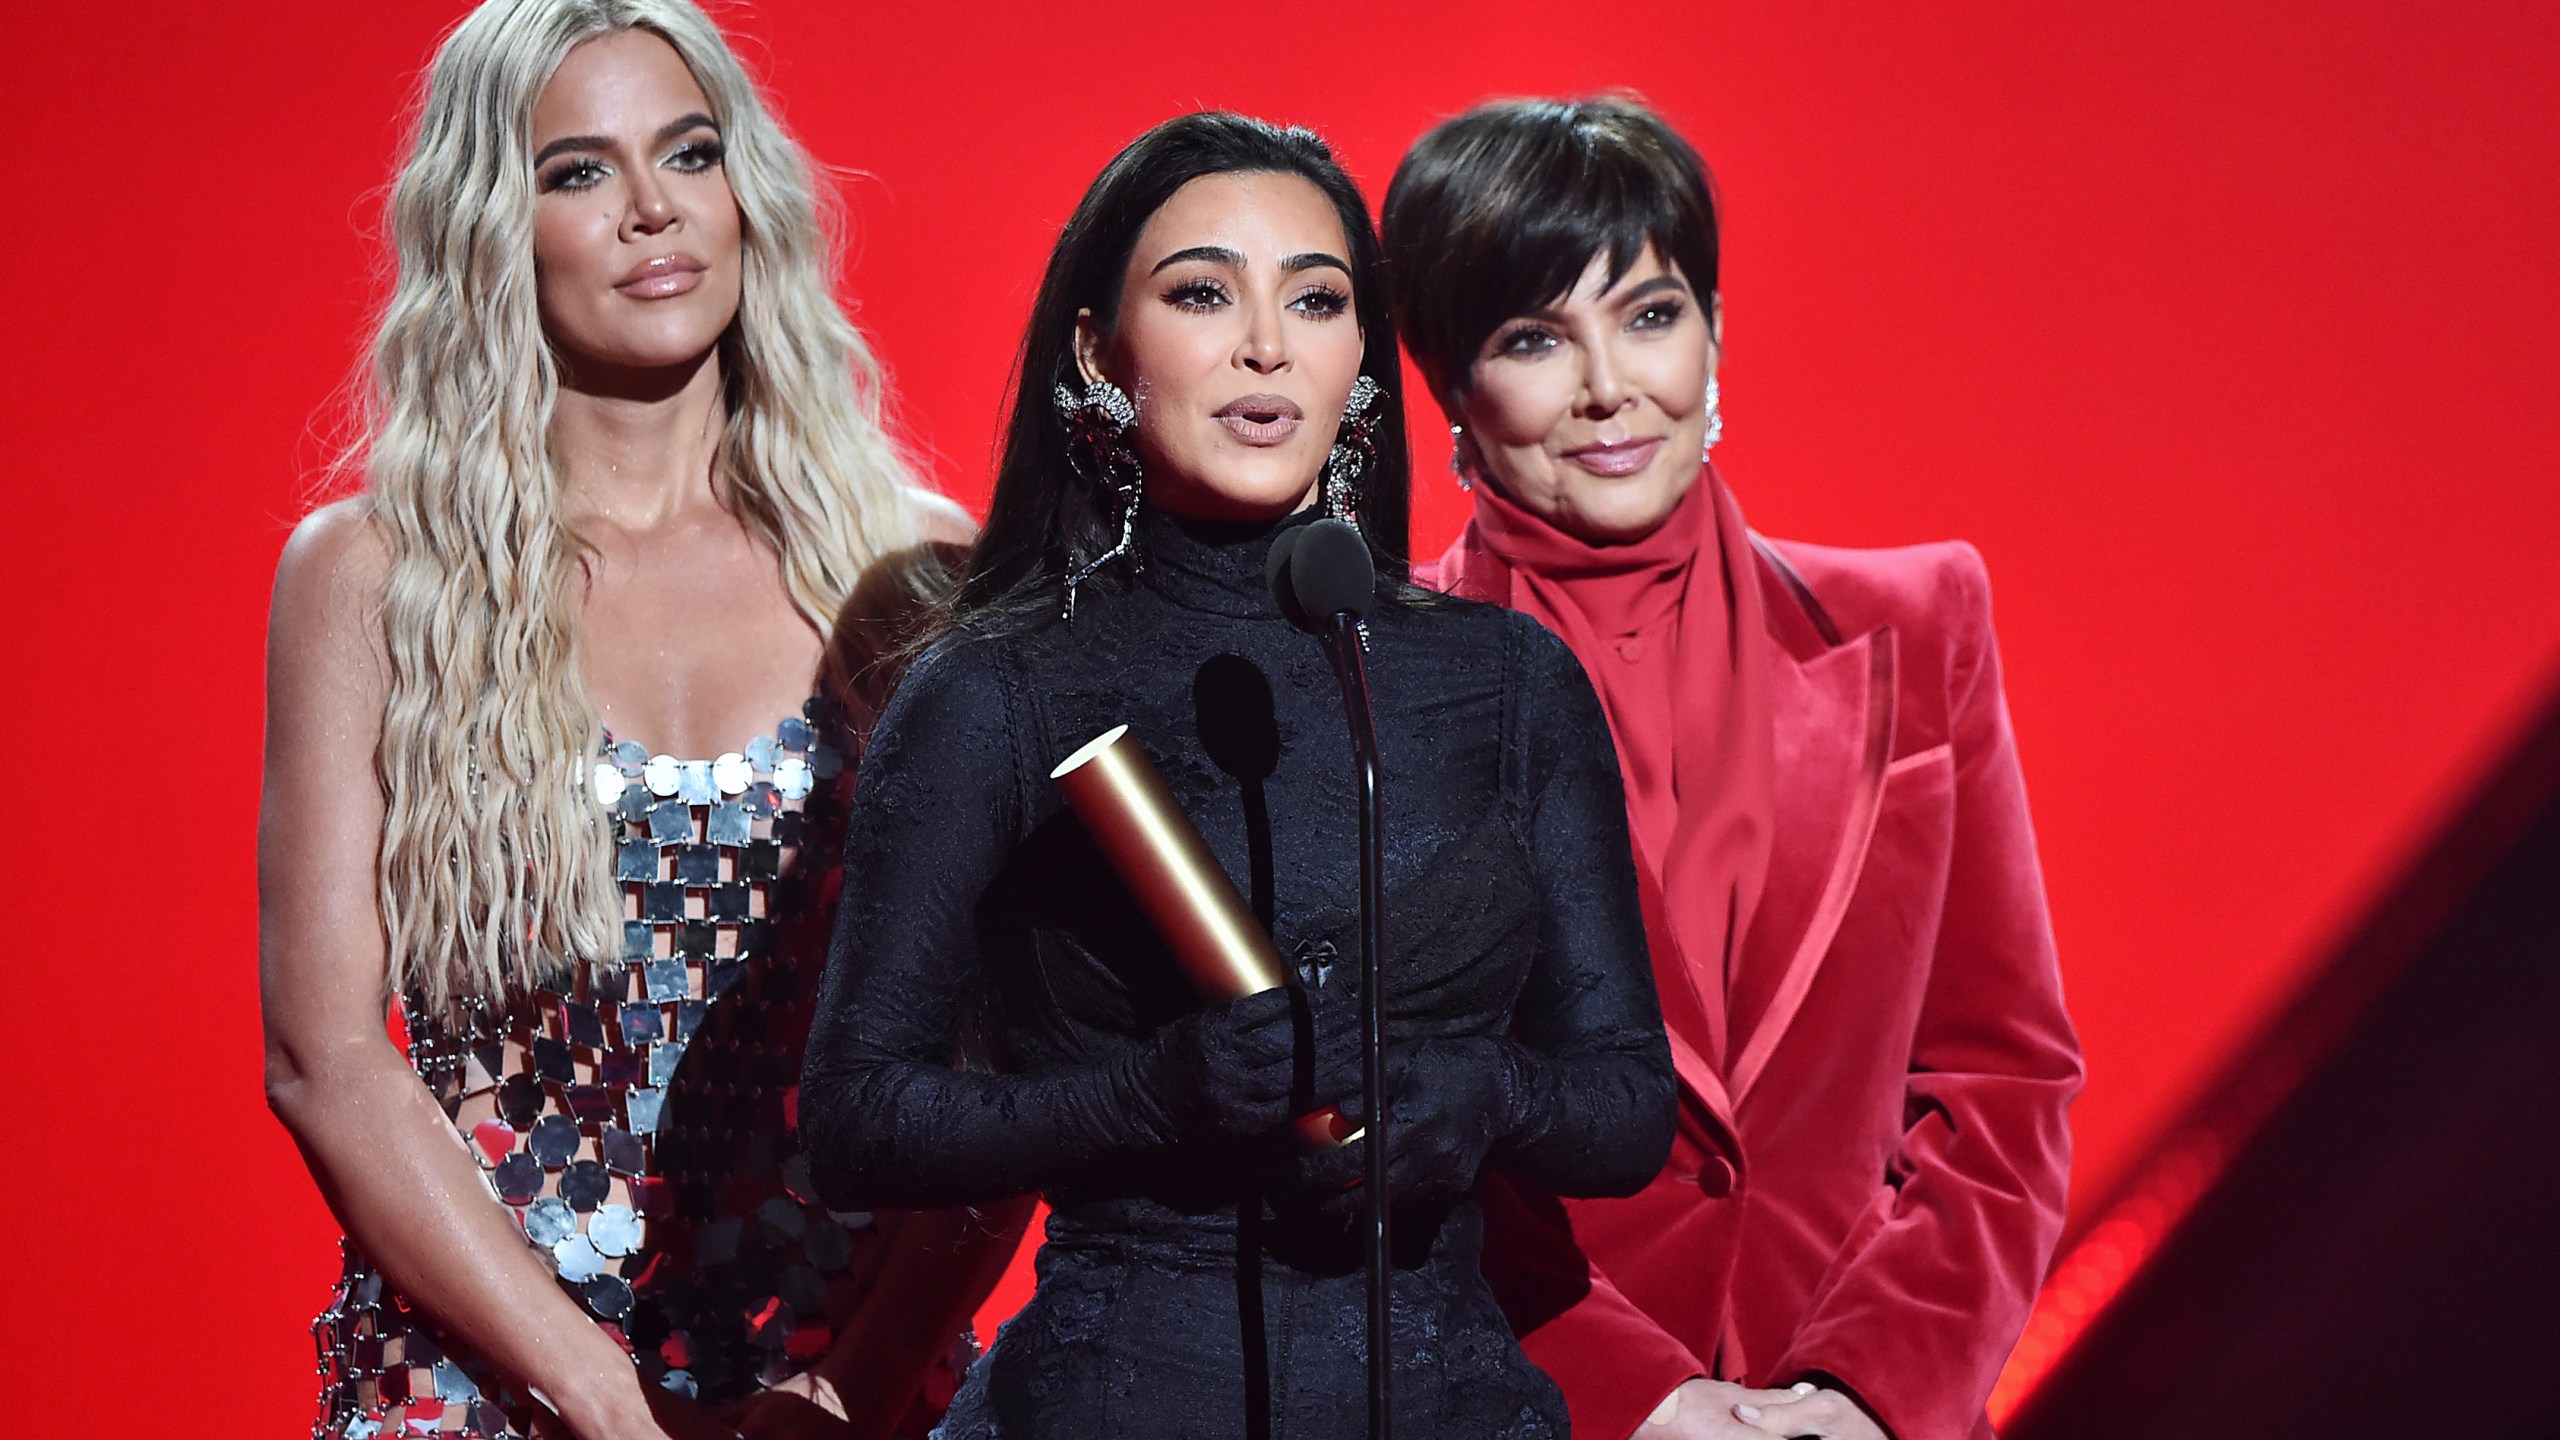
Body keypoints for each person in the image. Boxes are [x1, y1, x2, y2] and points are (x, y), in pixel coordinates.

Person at [796, 111, 1677, 1439]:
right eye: (1205, 291)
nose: (1268, 343)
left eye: (1315, 301)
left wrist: (1495, 1096)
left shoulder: (1508, 684)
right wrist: (1142, 1098)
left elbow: (1625, 1113)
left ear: (1361, 360)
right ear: (1099, 349)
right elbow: (859, 1119)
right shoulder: (997, 691)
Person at [259, 3, 1020, 1437]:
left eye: (689, 151)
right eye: (579, 172)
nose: (654, 210)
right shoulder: (373, 579)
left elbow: (1005, 1050)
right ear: (494, 223)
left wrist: (841, 1389)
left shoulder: (911, 573)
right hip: (487, 1389)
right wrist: (601, 1397)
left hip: (845, 1398)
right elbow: (322, 1053)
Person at [1381, 97, 2082, 1440]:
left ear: (1715, 331)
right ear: (1449, 390)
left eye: (1650, 316)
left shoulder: (1918, 623)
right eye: (1535, 340)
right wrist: (1640, 1402)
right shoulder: (1374, 692)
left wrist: (1864, 1392)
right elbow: (1396, 1154)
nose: (1609, 388)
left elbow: (2004, 1082)